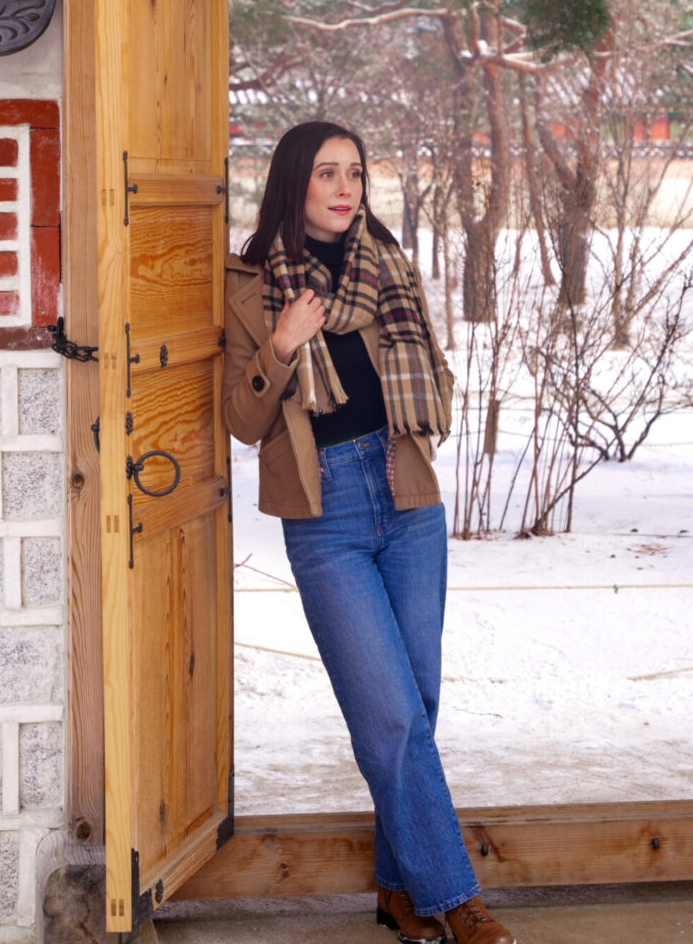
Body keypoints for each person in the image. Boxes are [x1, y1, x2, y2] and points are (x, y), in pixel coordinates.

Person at [221, 121, 516, 944]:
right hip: (329, 518)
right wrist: (281, 345)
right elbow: (242, 420)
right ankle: (457, 896)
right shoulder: (251, 286)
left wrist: (437, 399)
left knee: (415, 703)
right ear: (294, 184)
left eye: (354, 172)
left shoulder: (387, 263)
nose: (345, 187)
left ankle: (398, 889)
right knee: (387, 713)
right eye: (326, 173)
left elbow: (429, 357)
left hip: (409, 493)